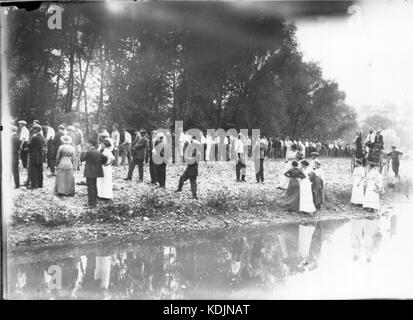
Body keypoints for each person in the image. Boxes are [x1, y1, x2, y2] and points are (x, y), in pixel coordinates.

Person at [81, 141, 108, 207]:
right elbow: (105, 158)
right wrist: (100, 163)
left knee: (90, 187)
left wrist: (83, 152)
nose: (85, 146)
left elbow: (82, 159)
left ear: (90, 145)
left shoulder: (88, 152)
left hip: (89, 172)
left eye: (86, 145)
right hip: (96, 172)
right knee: (94, 186)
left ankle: (91, 203)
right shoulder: (98, 152)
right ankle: (95, 201)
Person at [27, 124, 45, 189]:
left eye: (34, 129)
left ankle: (33, 185)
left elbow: (30, 146)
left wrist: (26, 148)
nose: (33, 130)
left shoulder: (34, 137)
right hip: (41, 156)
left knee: (33, 171)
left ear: (37, 130)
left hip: (34, 156)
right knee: (40, 171)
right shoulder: (42, 137)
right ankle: (40, 184)